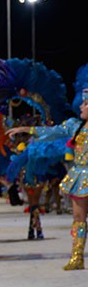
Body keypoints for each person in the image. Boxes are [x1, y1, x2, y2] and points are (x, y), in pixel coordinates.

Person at [7, 85, 87, 270]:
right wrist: (26, 129)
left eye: (86, 103)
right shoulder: (74, 126)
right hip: (80, 176)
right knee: (78, 217)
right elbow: (52, 132)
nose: (81, 106)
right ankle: (77, 257)